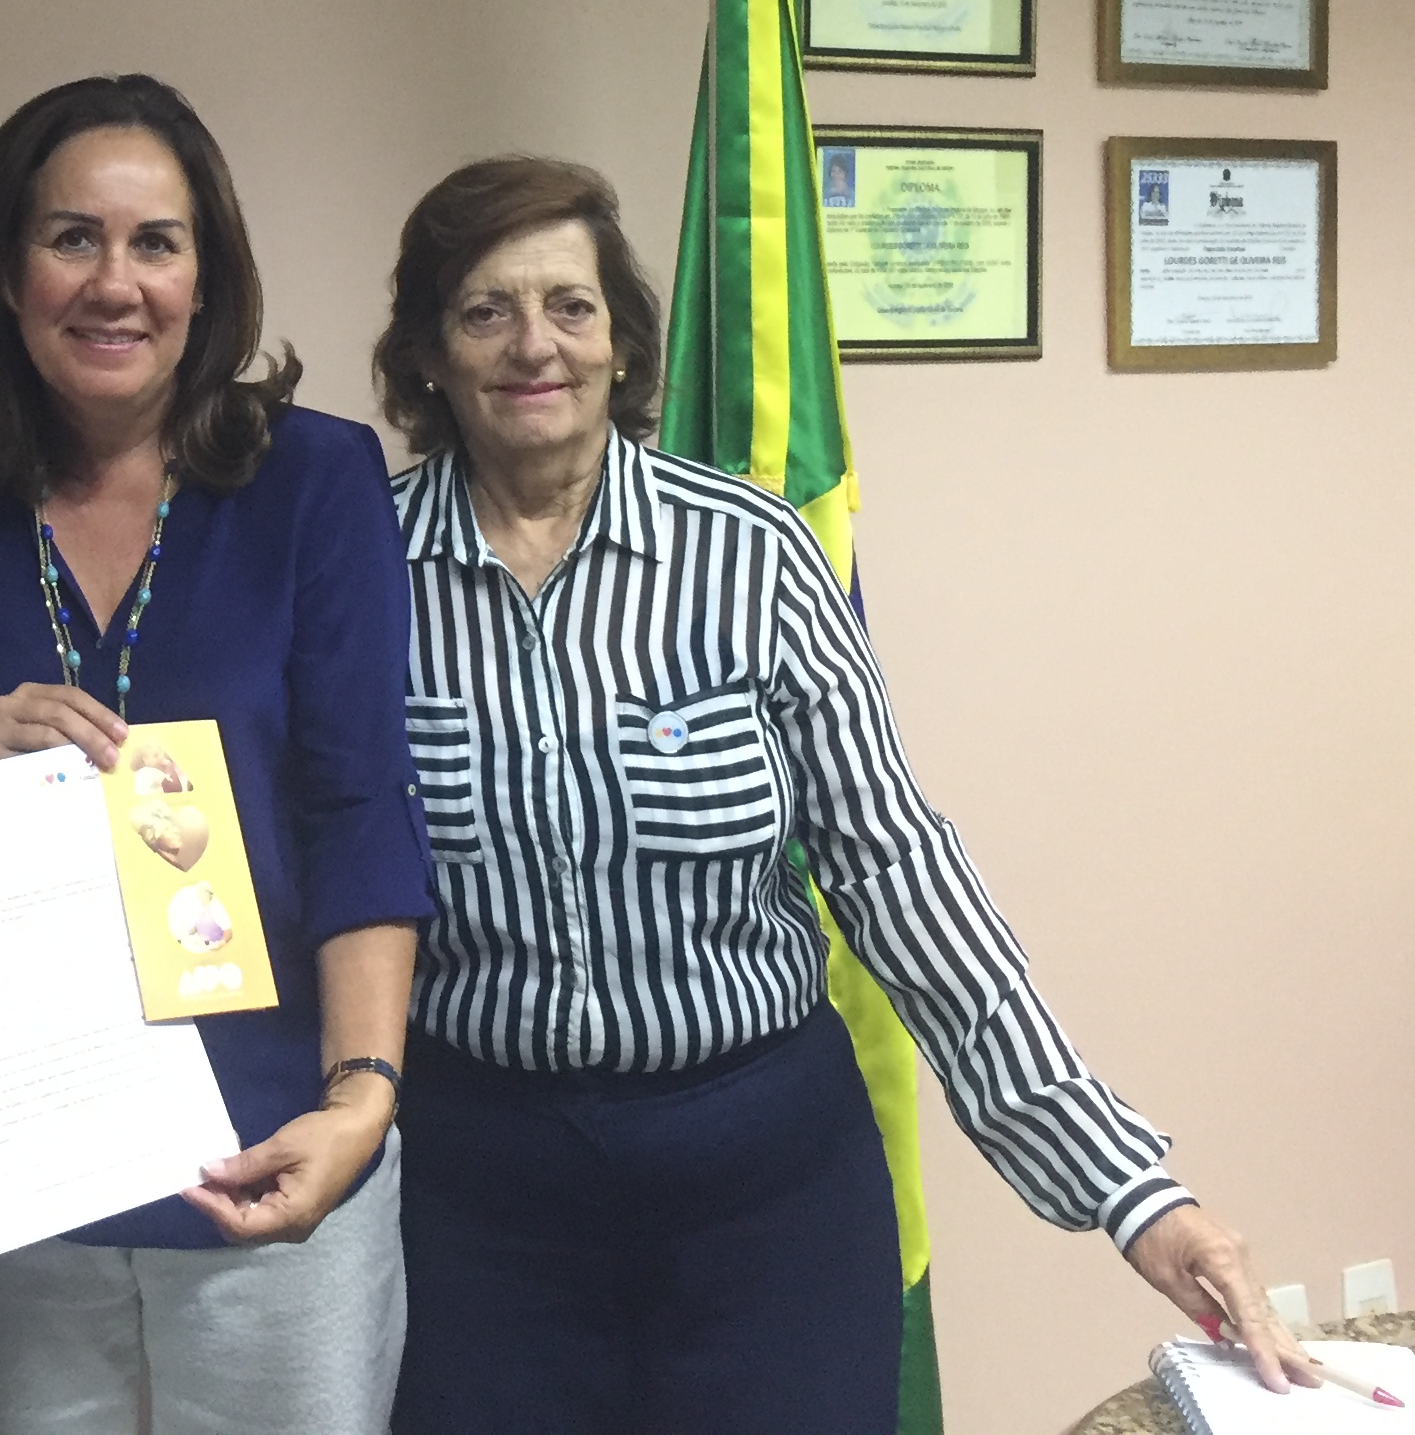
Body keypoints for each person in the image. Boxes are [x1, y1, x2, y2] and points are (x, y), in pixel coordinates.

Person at [371, 154, 1316, 1435]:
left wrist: (1131, 1191)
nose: (535, 344)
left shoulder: (750, 554)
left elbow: (898, 872)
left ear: (622, 341)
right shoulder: (359, 570)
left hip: (765, 1199)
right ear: (430, 352)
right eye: (486, 310)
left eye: (571, 306)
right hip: (483, 1213)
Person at [0, 74, 431, 1435]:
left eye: (156, 242)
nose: (116, 284)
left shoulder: (314, 482)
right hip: (5, 1164)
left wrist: (360, 1099)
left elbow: (361, 806)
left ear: (205, 277)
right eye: (73, 238)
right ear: (6, 271)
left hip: (273, 1145)